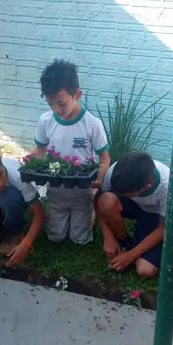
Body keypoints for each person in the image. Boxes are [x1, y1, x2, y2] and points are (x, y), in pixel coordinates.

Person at [32, 59, 110, 244]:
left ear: (77, 95)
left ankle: (89, 212)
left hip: (82, 191)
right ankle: (63, 216)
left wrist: (99, 177)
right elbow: (40, 150)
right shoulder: (45, 121)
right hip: (56, 189)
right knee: (55, 237)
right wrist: (30, 163)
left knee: (80, 239)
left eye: (61, 103)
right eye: (50, 104)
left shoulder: (92, 124)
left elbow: (104, 159)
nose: (56, 109)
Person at [95, 151, 173, 278]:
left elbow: (164, 228)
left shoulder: (169, 187)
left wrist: (131, 255)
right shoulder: (117, 171)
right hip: (135, 206)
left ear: (148, 185)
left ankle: (135, 247)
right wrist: (108, 237)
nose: (121, 195)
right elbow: (98, 200)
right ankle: (124, 241)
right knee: (107, 200)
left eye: (127, 193)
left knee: (145, 270)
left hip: (155, 215)